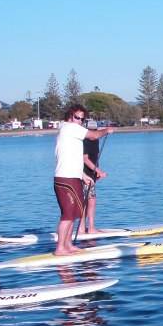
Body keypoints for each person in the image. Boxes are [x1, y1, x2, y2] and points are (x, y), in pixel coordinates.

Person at [53, 104, 113, 255]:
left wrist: (84, 176)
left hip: (73, 177)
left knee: (74, 214)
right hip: (65, 179)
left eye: (82, 118)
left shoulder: (72, 132)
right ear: (70, 116)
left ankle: (68, 245)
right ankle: (60, 248)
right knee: (67, 214)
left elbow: (72, 159)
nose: (79, 121)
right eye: (77, 117)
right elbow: (93, 135)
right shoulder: (69, 127)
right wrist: (107, 130)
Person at [80, 131, 108, 234]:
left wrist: (97, 173)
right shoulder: (84, 141)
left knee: (89, 201)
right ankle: (88, 228)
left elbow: (94, 158)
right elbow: (85, 159)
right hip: (84, 175)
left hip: (91, 175)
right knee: (90, 201)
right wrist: (98, 171)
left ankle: (84, 228)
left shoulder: (96, 141)